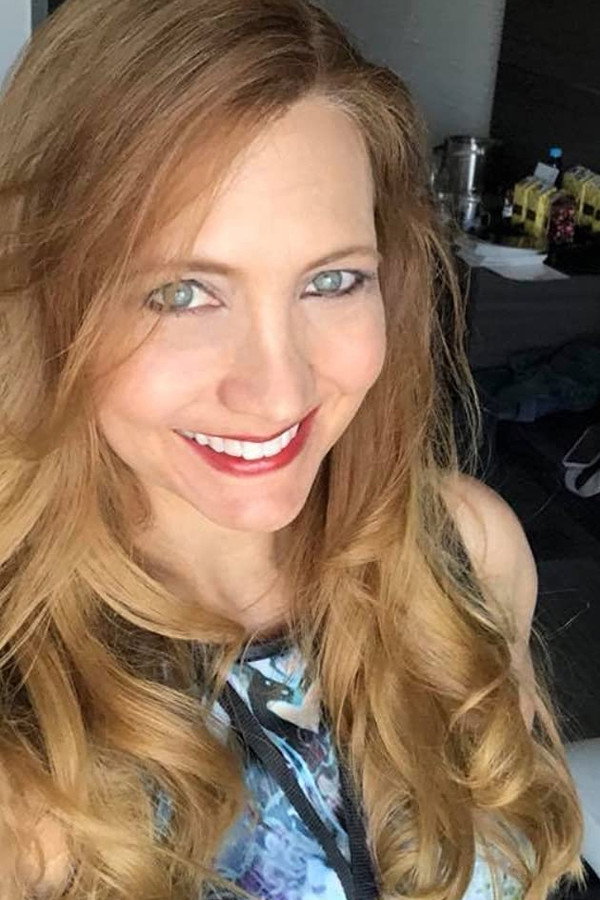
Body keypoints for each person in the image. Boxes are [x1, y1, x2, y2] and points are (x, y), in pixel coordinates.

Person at [0, 0, 583, 897]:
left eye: (333, 280)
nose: (278, 392)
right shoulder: (28, 748)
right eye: (180, 293)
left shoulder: (464, 554)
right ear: (43, 303)